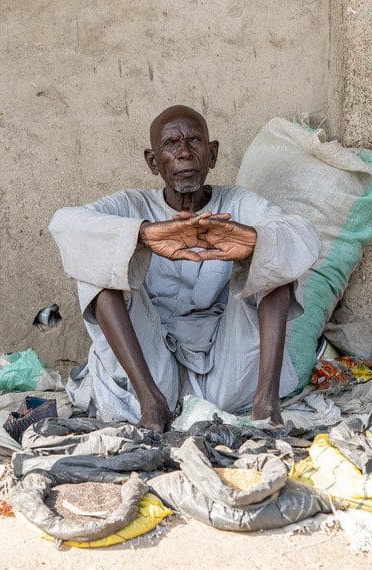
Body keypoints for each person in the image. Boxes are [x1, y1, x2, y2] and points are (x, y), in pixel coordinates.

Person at [49, 105, 320, 432]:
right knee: (96, 259)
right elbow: (64, 224)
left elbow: (300, 234)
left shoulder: (237, 203)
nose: (184, 154)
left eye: (194, 142)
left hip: (227, 374)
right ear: (153, 161)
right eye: (171, 144)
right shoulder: (133, 205)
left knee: (276, 257)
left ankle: (266, 403)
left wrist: (252, 243)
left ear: (212, 154)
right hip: (152, 371)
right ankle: (153, 406)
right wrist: (143, 234)